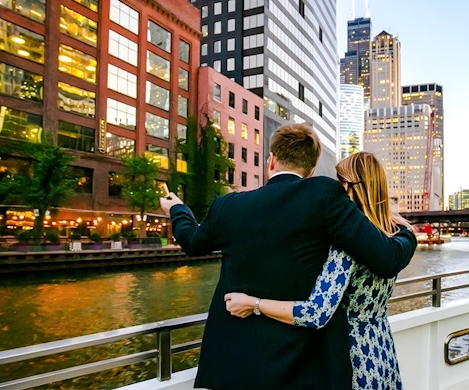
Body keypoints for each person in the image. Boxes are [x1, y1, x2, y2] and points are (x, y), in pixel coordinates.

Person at [163, 123, 416, 390]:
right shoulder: (325, 197)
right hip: (300, 366)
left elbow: (191, 242)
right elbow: (387, 257)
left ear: (270, 161)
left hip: (233, 364)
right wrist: (405, 230)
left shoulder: (227, 205)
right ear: (312, 169)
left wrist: (178, 209)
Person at [225, 152, 415, 389]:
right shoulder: (392, 235)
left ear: (348, 187)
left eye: (338, 182)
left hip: (353, 358)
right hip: (382, 349)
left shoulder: (348, 246)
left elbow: (316, 312)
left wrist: (253, 303)